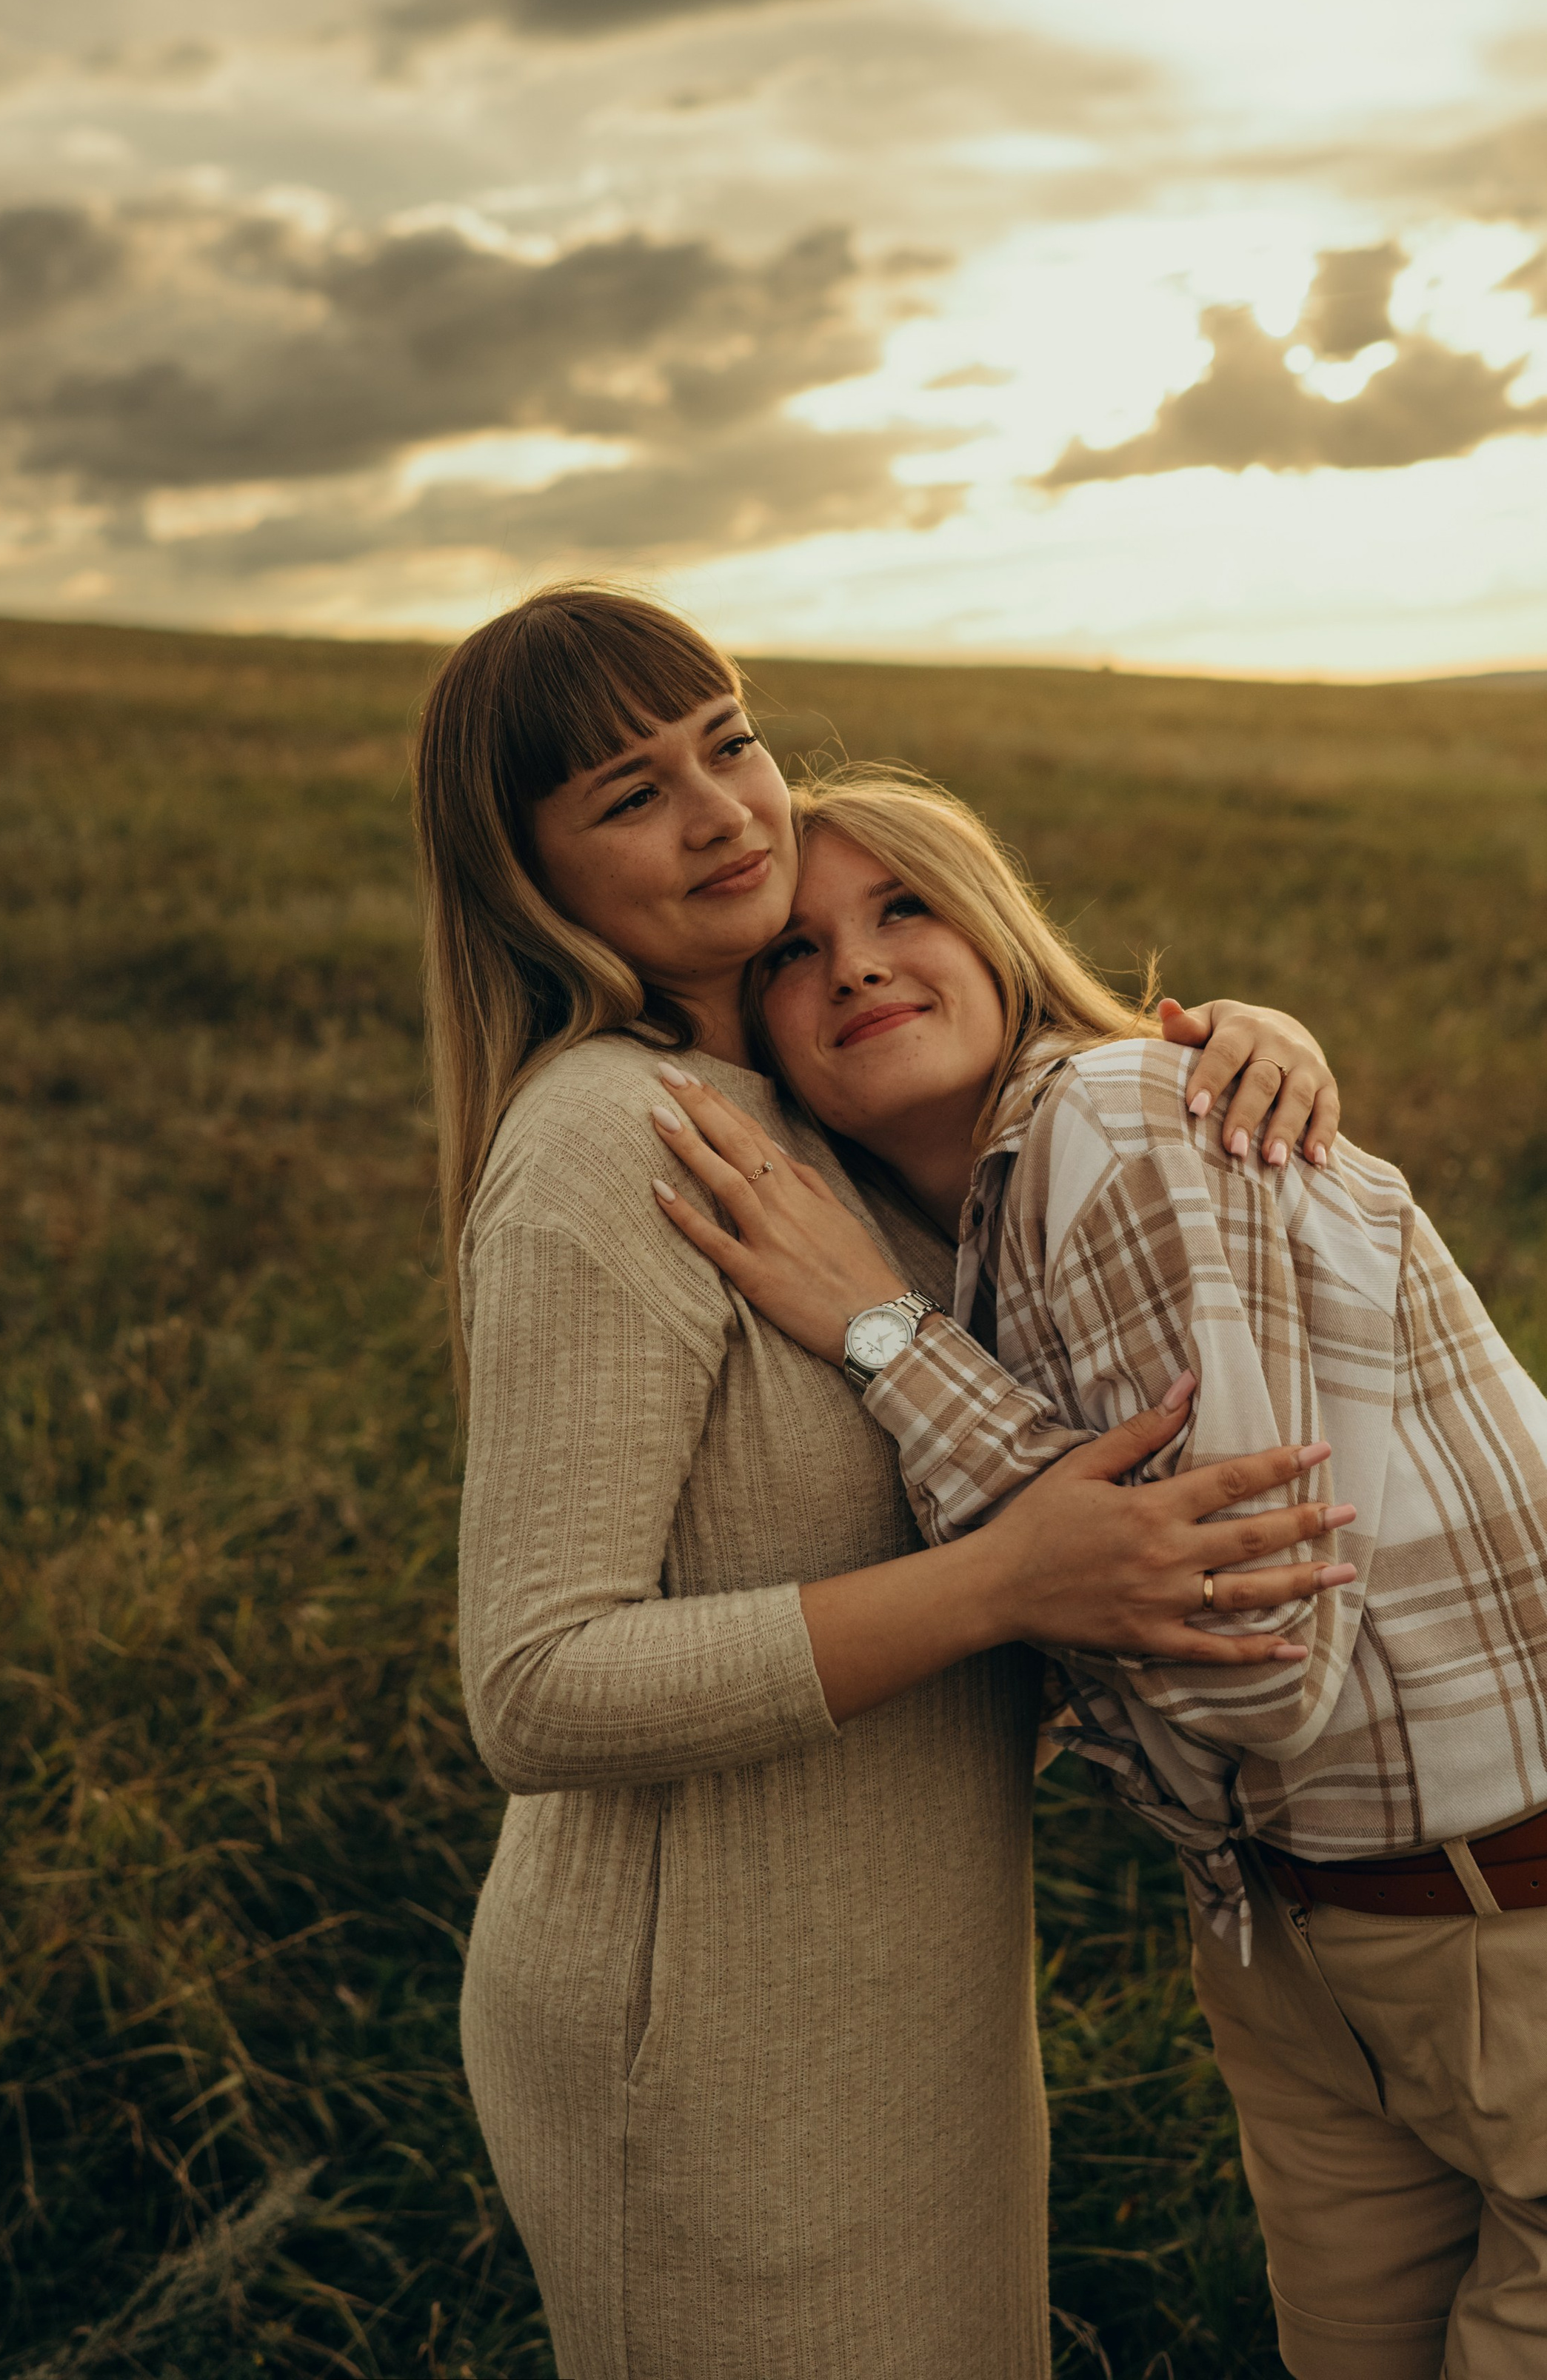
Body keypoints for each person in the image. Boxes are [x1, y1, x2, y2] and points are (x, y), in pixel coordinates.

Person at [412, 586, 1353, 2380]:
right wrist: (1003, 1588)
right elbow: (532, 1686)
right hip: (704, 2044)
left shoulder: (795, 1078)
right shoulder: (613, 1144)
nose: (725, 815)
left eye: (729, 741)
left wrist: (1249, 1042)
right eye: (629, 795)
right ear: (525, 877)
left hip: (899, 1991)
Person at [651, 763, 1547, 2380]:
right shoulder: (975, 1222)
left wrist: (882, 1338)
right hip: (1292, 1940)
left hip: (1510, 1919)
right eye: (791, 949)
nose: (851, 964)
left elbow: (1256, 1662)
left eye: (901, 906)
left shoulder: (1118, 1124)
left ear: (995, 934)